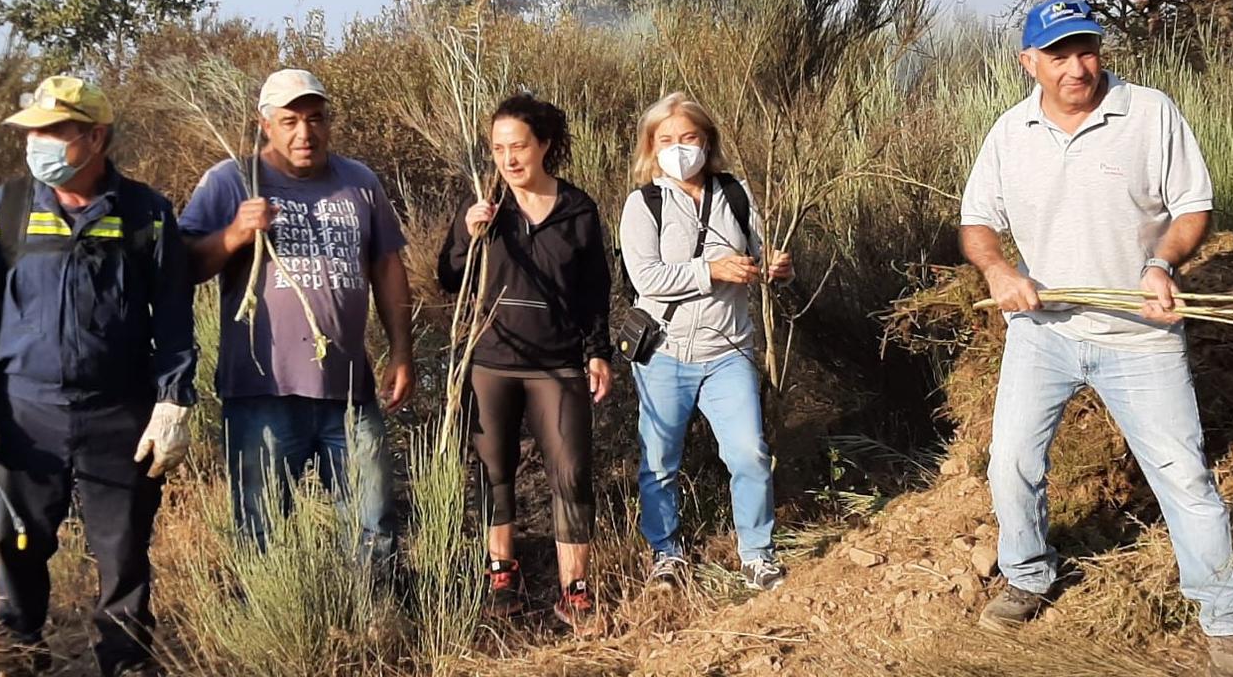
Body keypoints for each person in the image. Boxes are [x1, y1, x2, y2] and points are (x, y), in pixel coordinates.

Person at [959, 0, 1233, 677]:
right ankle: (1030, 574)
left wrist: (1161, 263)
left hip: (1140, 333)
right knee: (1010, 463)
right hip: (1043, 332)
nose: (1077, 66)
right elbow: (977, 221)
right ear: (1029, 63)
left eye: (1087, 48)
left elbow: (1192, 207)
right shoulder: (1010, 133)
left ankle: (1225, 620)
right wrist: (1000, 268)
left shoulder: (1149, 113)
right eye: (1059, 54)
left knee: (1184, 477)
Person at [0, 74, 196, 677]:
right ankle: (17, 659)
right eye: (33, 131)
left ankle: (126, 665)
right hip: (24, 410)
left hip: (120, 412)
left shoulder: (146, 214)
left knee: (124, 548)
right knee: (20, 541)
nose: (38, 143)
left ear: (95, 137)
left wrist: (173, 403)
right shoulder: (3, 210)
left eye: (54, 131)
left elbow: (174, 316)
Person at [179, 69, 413, 564]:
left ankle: (376, 623)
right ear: (265, 125)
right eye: (289, 121)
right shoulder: (231, 181)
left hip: (348, 390)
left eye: (315, 119)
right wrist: (237, 234)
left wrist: (401, 352)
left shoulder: (360, 181)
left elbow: (388, 266)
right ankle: (265, 630)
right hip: (262, 392)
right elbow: (184, 265)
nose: (304, 133)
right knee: (260, 529)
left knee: (372, 523)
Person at [437, 95, 613, 627]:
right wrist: (468, 236)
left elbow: (594, 292)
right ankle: (501, 570)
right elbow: (449, 278)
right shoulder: (486, 209)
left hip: (557, 363)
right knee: (494, 471)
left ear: (545, 146)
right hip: (491, 360)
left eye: (519, 146)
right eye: (498, 149)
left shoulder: (578, 210)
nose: (509, 159)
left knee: (572, 472)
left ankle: (575, 588)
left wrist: (598, 351)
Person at [620, 92, 793, 592]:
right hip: (664, 353)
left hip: (729, 350)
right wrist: (710, 270)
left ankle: (757, 553)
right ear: (651, 147)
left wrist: (775, 267)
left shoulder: (734, 193)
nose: (679, 148)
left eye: (689, 138)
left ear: (707, 141)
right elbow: (647, 278)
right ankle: (665, 555)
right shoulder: (643, 203)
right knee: (658, 460)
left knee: (749, 453)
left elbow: (759, 257)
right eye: (667, 140)